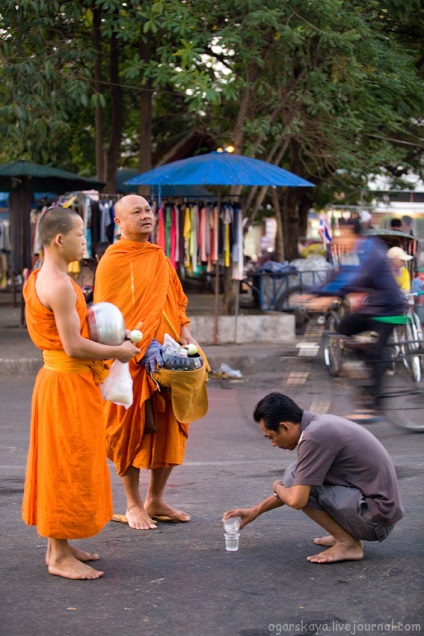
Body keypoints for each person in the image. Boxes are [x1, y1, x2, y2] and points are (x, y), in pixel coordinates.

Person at [22, 206, 139, 580]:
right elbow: (72, 347)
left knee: (69, 459)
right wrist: (119, 351)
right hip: (65, 383)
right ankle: (57, 556)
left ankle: (62, 543)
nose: (85, 243)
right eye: (81, 236)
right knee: (65, 464)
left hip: (62, 380)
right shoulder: (56, 284)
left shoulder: (42, 276)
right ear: (59, 239)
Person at [94, 194, 203, 530]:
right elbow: (106, 314)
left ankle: (156, 498)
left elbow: (174, 299)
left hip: (170, 356)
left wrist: (186, 334)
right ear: (119, 222)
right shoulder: (112, 260)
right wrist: (130, 346)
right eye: (136, 212)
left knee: (173, 423)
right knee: (128, 429)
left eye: (148, 210)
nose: (145, 216)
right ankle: (132, 503)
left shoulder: (158, 256)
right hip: (131, 356)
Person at [223, 392, 404, 564]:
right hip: (376, 511)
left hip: (374, 519)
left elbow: (297, 500)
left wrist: (277, 485)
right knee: (297, 474)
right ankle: (346, 534)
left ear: (284, 426)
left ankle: (347, 544)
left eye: (272, 437)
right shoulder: (318, 425)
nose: (273, 444)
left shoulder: (314, 438)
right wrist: (255, 511)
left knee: (294, 477)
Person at [297, 220, 405, 415]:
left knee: (377, 356)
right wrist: (314, 293)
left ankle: (373, 407)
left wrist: (331, 297)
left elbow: (357, 279)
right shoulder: (353, 254)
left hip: (390, 309)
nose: (340, 238)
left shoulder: (372, 251)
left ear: (356, 235)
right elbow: (337, 276)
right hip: (372, 308)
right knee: (342, 330)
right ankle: (369, 357)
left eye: (343, 234)